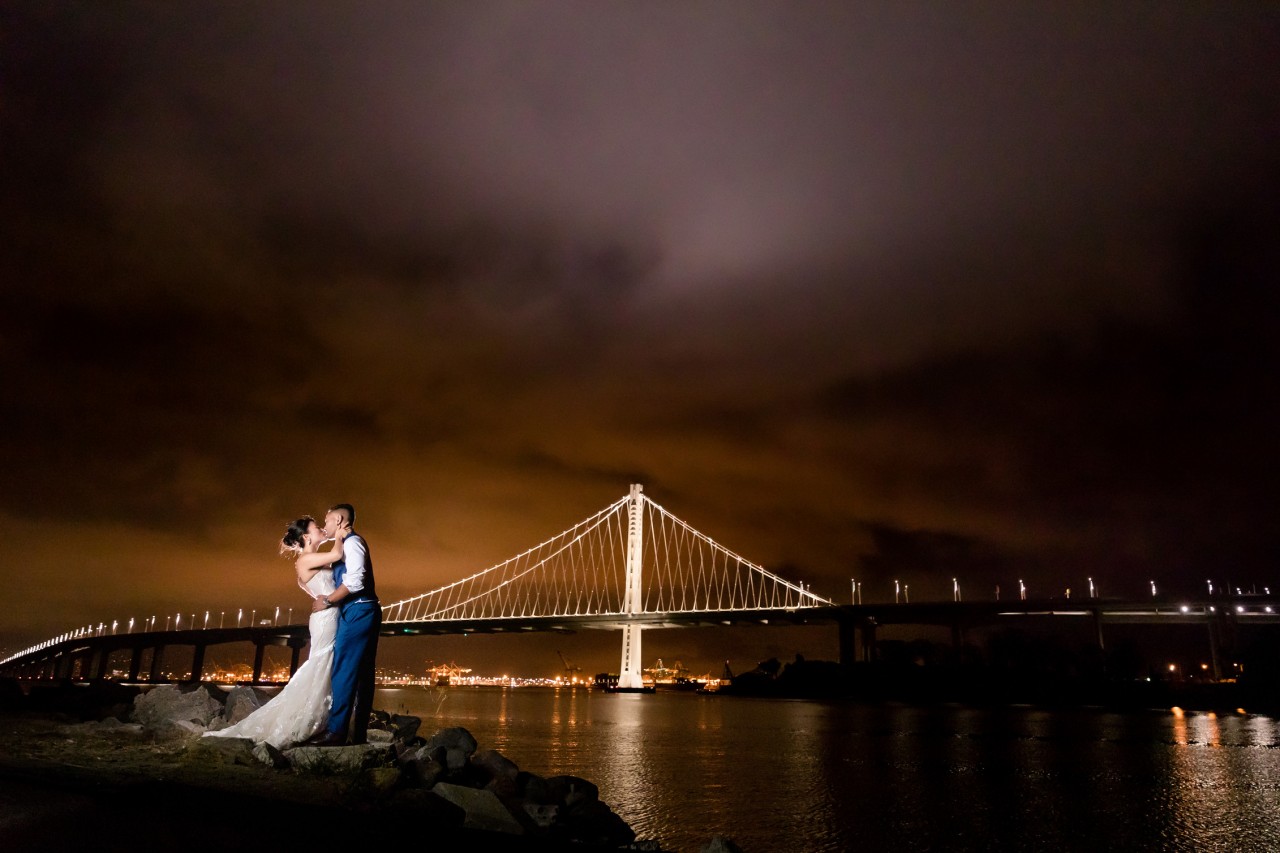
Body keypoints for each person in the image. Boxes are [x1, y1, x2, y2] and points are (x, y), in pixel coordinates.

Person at [203, 515, 350, 748]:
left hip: (329, 615)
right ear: (306, 536)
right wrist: (341, 535)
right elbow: (337, 555)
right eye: (317, 527)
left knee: (325, 665)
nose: (322, 528)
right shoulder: (305, 560)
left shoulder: (312, 559)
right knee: (321, 664)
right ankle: (308, 719)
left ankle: (322, 718)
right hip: (326, 618)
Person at [309, 502, 381, 746]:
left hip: (358, 609)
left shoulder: (353, 543)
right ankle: (357, 734)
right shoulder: (347, 545)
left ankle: (337, 732)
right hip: (363, 609)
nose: (324, 525)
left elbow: (356, 582)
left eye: (327, 520)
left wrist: (327, 601)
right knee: (362, 674)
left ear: (339, 520)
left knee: (344, 669)